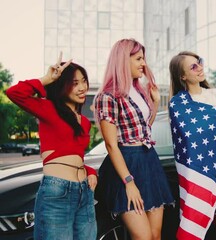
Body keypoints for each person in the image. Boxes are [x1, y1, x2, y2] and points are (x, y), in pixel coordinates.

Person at [6, 52, 98, 240]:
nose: (82, 88)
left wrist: (90, 171)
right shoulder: (48, 108)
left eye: (83, 81)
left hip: (84, 193)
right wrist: (48, 78)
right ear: (63, 86)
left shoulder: (85, 122)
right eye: (75, 83)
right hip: (57, 190)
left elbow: (74, 154)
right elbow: (14, 93)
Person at [94, 38, 174, 240]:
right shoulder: (108, 96)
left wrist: (155, 104)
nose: (143, 64)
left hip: (149, 161)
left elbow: (143, 129)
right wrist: (129, 182)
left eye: (143, 59)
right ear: (123, 60)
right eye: (138, 59)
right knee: (143, 237)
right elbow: (111, 144)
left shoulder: (140, 91)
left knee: (155, 236)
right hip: (126, 166)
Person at [168, 51, 216, 240]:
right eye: (193, 66)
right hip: (199, 172)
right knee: (194, 226)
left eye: (199, 62)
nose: (200, 68)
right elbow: (189, 138)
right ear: (183, 76)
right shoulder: (178, 104)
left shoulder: (215, 95)